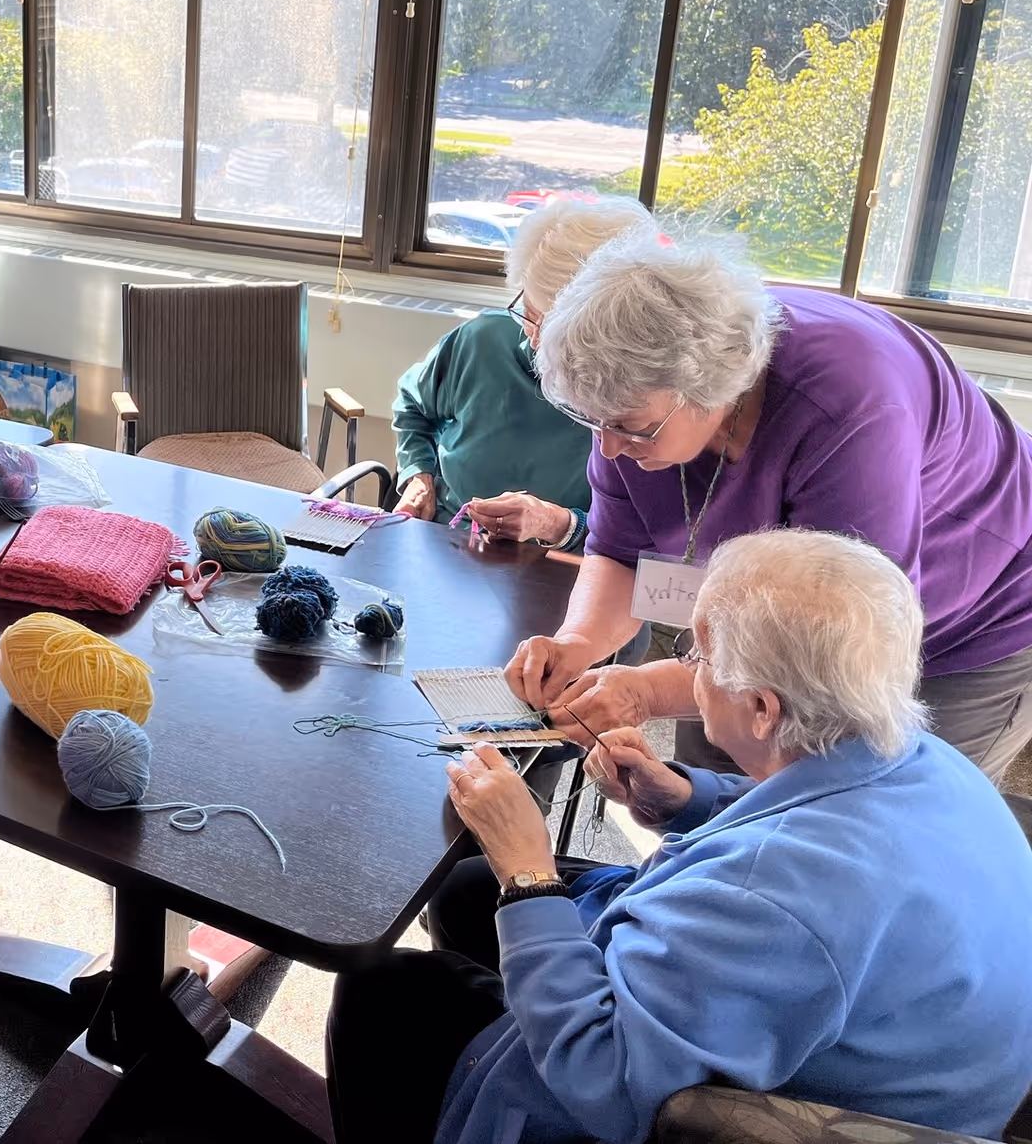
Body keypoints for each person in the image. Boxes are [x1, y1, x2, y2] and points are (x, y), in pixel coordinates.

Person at [328, 529, 1032, 1144]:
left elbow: (606, 1083)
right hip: (910, 1068)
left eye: (698, 658)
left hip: (748, 1117)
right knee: (467, 888)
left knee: (381, 991)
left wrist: (528, 870)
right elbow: (815, 816)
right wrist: (693, 798)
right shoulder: (922, 756)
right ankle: (520, 998)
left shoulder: (771, 898)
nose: (689, 674)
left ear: (761, 708)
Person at [507, 236, 1032, 779]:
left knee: (875, 804)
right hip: (761, 618)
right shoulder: (633, 398)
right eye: (594, 422)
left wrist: (647, 692)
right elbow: (619, 553)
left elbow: (832, 643)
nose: (610, 448)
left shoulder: (847, 409)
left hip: (974, 616)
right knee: (715, 784)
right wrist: (578, 643)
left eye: (628, 428)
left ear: (707, 392)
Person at [393, 197, 656, 547]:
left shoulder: (634, 404)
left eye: (549, 327)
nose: (533, 340)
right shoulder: (481, 341)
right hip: (446, 539)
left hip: (552, 568)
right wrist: (419, 476)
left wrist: (557, 525)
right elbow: (413, 408)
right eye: (529, 312)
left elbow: (635, 539)